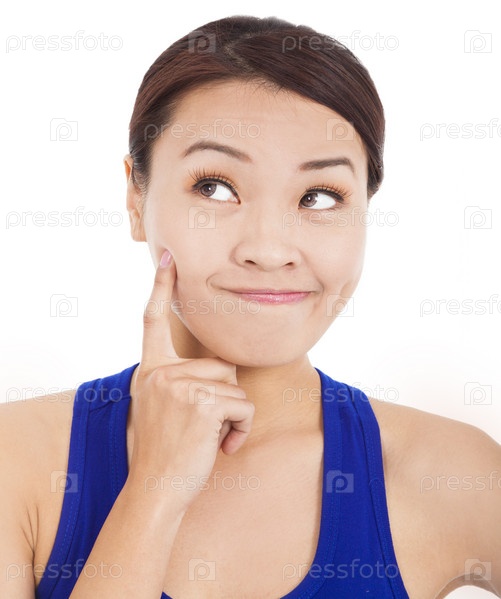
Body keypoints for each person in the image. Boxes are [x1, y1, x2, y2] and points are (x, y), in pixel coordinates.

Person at [1, 14, 499, 599]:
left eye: (319, 197)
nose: (268, 249)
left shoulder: (454, 472)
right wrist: (156, 488)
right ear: (136, 198)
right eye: (215, 188)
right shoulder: (17, 460)